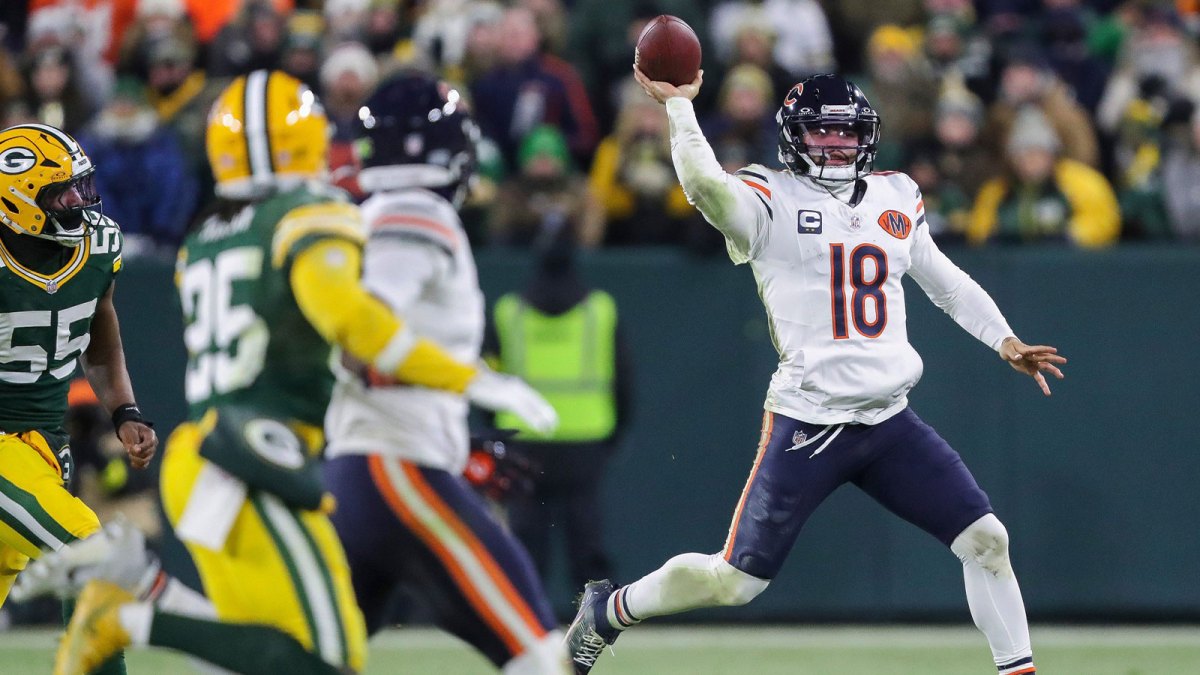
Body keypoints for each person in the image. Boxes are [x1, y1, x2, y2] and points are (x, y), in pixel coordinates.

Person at [39, 69, 562, 675]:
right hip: (257, 458)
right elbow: (356, 326)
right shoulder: (315, 215)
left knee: (274, 657)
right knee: (325, 663)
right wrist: (475, 381)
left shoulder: (207, 234)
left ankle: (145, 597)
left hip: (218, 454)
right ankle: (131, 612)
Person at [563, 69, 1066, 675]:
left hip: (889, 421)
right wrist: (678, 108)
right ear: (793, 138)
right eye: (820, 134)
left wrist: (1003, 338)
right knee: (736, 582)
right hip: (811, 421)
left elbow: (946, 284)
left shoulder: (896, 194)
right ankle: (609, 612)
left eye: (845, 133)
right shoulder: (768, 198)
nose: (834, 146)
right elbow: (702, 184)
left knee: (988, 541)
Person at [321, 70, 568, 675]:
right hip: (394, 467)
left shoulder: (371, 214)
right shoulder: (414, 212)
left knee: (304, 661)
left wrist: (454, 439)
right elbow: (364, 342)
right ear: (430, 149)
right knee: (540, 654)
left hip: (363, 468)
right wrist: (473, 383)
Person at [0, 122, 158, 673]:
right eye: (63, 194)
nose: (79, 203)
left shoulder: (98, 245)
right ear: (17, 201)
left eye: (81, 188)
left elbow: (100, 323)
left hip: (44, 447)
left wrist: (124, 408)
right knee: (96, 551)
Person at [488, 230, 632, 605]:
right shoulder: (600, 309)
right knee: (586, 539)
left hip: (524, 441)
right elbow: (623, 378)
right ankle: (598, 618)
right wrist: (614, 433)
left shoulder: (509, 311)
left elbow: (486, 379)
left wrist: (496, 432)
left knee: (525, 539)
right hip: (585, 439)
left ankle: (522, 617)